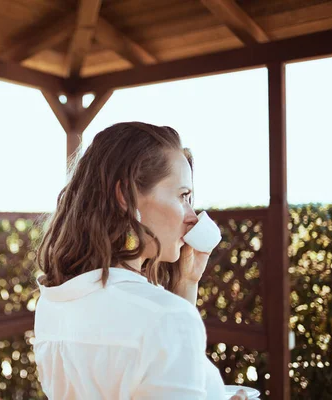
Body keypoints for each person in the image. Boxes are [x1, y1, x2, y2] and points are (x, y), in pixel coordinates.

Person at [33, 122, 249, 400]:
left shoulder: (53, 303)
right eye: (183, 196)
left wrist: (186, 282)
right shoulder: (166, 318)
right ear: (125, 196)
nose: (193, 216)